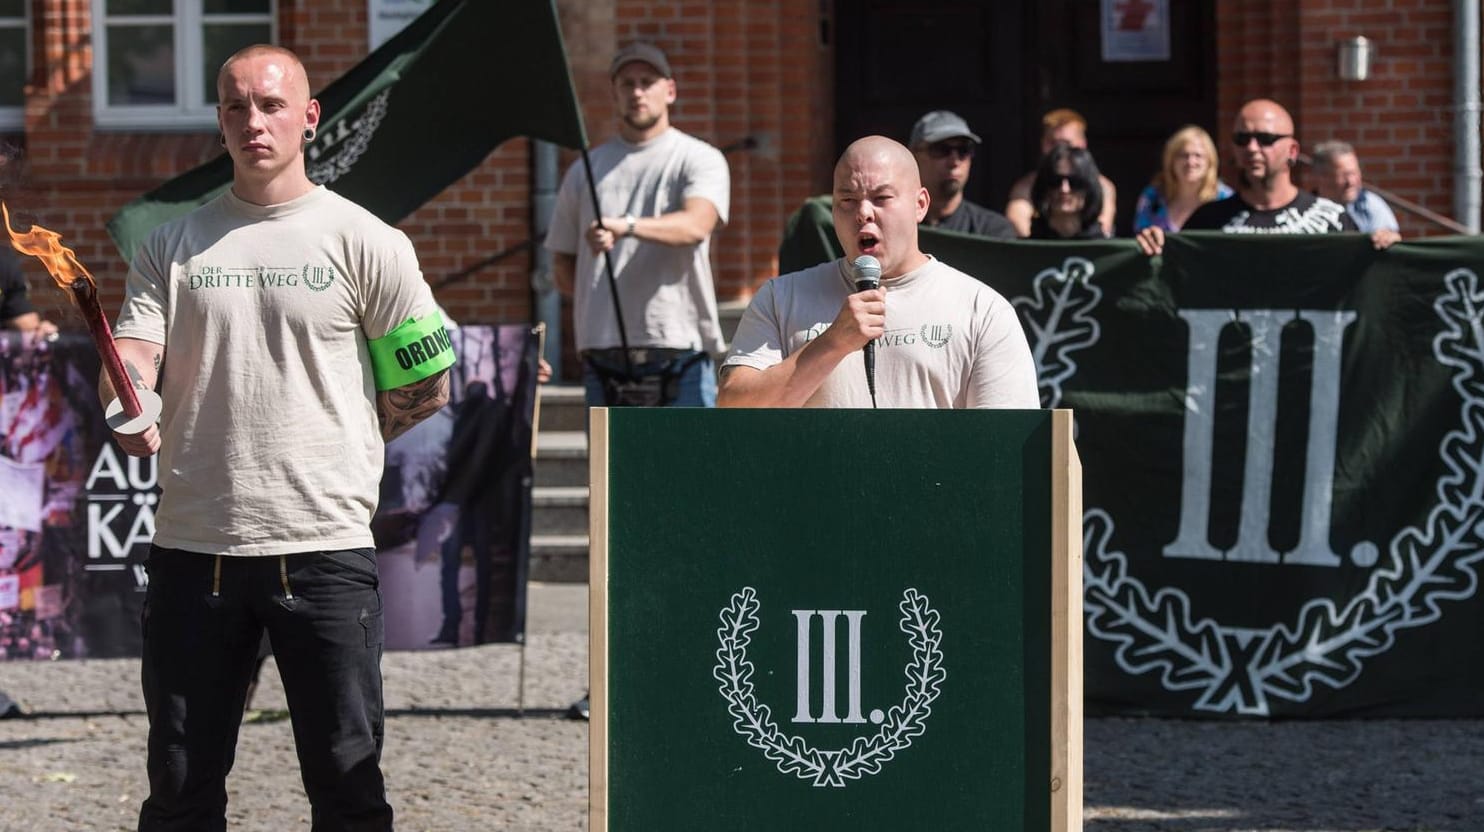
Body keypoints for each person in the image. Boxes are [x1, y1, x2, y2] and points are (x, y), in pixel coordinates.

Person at [103, 44, 451, 829]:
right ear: (220, 119)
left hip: (323, 547)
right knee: (181, 790)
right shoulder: (171, 244)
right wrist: (125, 400)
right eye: (235, 106)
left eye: (270, 104)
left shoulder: (368, 241)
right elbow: (134, 354)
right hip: (198, 548)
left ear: (308, 116)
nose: (253, 121)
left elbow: (428, 385)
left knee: (348, 788)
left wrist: (336, 449)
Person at [717, 136, 1038, 409]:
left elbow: (1008, 448)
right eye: (847, 200)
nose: (863, 213)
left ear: (920, 204)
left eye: (882, 198)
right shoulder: (781, 298)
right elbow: (733, 408)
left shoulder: (981, 310)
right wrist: (832, 343)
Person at [546, 41, 729, 407]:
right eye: (627, 83)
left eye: (647, 81)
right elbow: (562, 265)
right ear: (614, 93)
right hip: (603, 354)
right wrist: (593, 291)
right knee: (608, 468)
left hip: (680, 350)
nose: (637, 91)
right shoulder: (586, 169)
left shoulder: (698, 158)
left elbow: (696, 224)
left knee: (691, 465)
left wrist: (624, 226)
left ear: (670, 91)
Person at [1135, 99, 1399, 255]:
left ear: (1292, 151)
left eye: (1265, 139)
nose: (1252, 148)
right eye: (1242, 139)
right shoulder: (1207, 221)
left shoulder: (1333, 220)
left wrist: (1389, 251)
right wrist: (1153, 247)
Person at [1006, 108, 1118, 237]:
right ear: (1043, 144)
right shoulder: (1025, 186)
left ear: (1082, 144)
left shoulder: (1103, 186)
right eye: (1053, 143)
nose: (1064, 189)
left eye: (1076, 184)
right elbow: (1019, 224)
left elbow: (1103, 227)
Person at [908, 110, 1016, 238]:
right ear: (913, 155)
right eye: (941, 149)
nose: (954, 161)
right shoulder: (894, 225)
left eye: (963, 150)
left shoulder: (992, 231)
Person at [1133, 125, 1233, 232]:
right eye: (1184, 155)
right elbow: (1139, 235)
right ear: (1171, 160)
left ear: (1210, 161)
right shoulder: (1153, 197)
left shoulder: (1225, 198)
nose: (1190, 162)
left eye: (1198, 155)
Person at [1310, 140, 1401, 236]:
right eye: (1344, 175)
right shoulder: (1305, 212)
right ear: (1321, 177)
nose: (1351, 182)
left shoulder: (1370, 204)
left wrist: (1388, 237)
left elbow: (1389, 239)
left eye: (1354, 173)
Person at [1026, 144, 1109, 240]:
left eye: (1075, 182)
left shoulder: (1104, 250)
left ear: (1089, 188)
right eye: (1055, 181)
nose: (1064, 189)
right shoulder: (1027, 250)